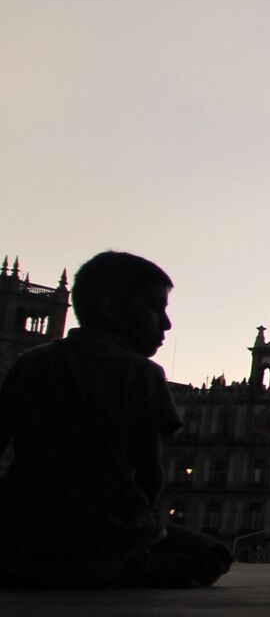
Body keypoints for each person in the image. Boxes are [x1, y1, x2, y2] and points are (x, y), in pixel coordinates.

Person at [0, 252, 232, 588]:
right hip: (105, 532)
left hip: (22, 529)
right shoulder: (144, 374)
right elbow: (151, 475)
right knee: (213, 554)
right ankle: (115, 569)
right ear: (112, 308)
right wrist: (142, 523)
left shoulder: (30, 362)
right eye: (156, 307)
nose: (166, 322)